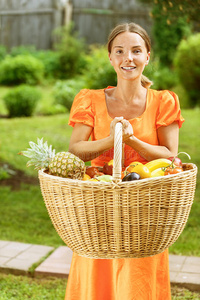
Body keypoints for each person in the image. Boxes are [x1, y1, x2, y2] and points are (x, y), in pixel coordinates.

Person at [64, 22, 184, 300]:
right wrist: (111, 139)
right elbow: (75, 150)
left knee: (137, 281)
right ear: (110, 57)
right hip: (97, 207)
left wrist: (131, 140)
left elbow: (170, 154)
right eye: (119, 51)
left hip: (145, 210)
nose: (127, 58)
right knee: (97, 274)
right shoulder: (90, 100)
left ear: (147, 56)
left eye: (135, 50)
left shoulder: (163, 101)